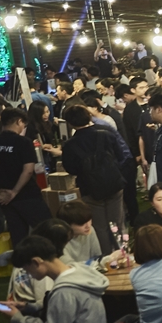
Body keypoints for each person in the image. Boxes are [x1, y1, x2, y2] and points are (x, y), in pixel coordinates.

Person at [59, 106, 126, 255]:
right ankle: (122, 255)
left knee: (99, 227)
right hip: (114, 183)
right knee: (117, 223)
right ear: (89, 116)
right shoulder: (106, 132)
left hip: (89, 189)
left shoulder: (70, 145)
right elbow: (121, 156)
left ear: (70, 123)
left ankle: (107, 258)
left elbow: (71, 169)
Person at [0, 109, 51, 243]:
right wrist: (14, 191)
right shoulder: (23, 142)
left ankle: (21, 257)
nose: (23, 127)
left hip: (3, 199)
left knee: (18, 236)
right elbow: (28, 170)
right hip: (27, 195)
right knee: (46, 230)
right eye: (23, 124)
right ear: (19, 121)